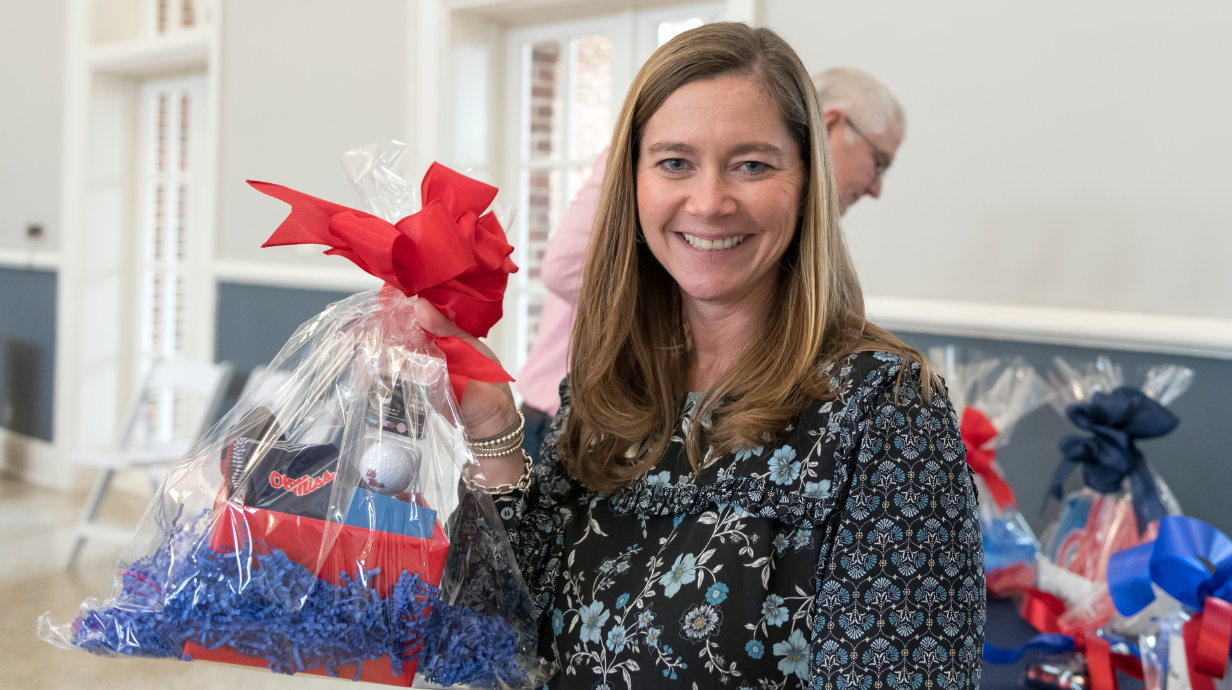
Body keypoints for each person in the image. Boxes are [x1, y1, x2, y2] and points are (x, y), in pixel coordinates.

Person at [416, 22, 983, 689]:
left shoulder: (883, 412)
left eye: (753, 164)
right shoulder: (605, 392)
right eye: (675, 162)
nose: (710, 202)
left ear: (807, 186)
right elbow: (486, 648)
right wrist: (491, 428)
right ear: (633, 185)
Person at [517, 66, 907, 462]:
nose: (876, 187)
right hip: (579, 418)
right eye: (879, 162)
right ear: (834, 123)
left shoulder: (885, 394)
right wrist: (705, 314)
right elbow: (563, 266)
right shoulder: (644, 155)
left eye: (752, 166)